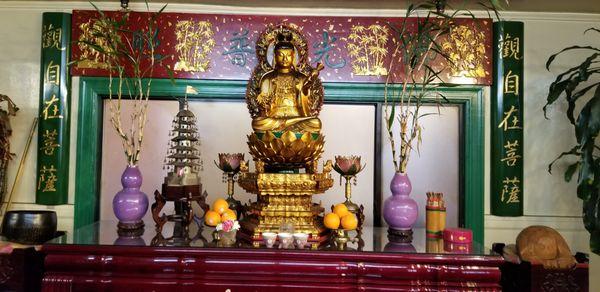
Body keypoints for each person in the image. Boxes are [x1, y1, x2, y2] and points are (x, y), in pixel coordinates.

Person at [252, 31, 323, 133]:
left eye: (288, 55)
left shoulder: (301, 78)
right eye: (281, 55)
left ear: (293, 56)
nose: (285, 59)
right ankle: (285, 126)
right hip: (274, 118)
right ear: (275, 57)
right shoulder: (267, 78)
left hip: (297, 117)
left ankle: (286, 125)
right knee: (258, 122)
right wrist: (263, 102)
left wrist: (306, 87)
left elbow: (306, 101)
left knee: (315, 123)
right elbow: (263, 105)